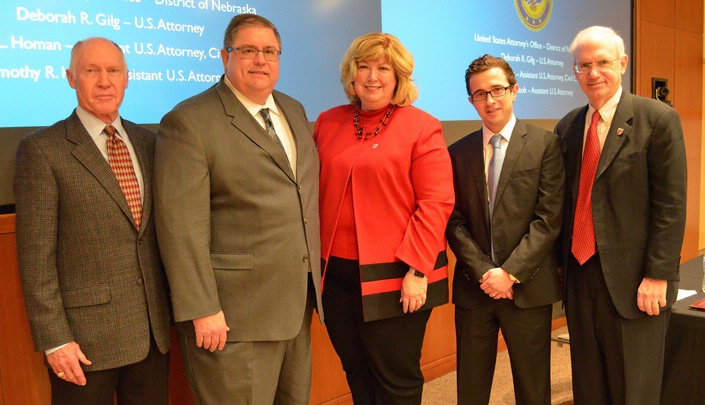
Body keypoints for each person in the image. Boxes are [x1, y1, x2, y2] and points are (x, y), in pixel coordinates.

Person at [154, 14, 322, 405]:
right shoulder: (189, 121)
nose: (260, 60)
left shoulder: (293, 110)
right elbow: (180, 227)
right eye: (248, 50)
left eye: (270, 51)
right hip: (233, 318)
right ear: (224, 56)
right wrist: (202, 308)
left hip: (295, 306)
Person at [13, 37, 171, 404]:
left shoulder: (150, 143)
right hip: (83, 345)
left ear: (127, 78)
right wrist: (55, 339)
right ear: (71, 78)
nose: (104, 81)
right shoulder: (43, 150)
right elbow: (36, 259)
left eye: (113, 70)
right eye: (91, 70)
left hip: (152, 335)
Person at [314, 32, 454, 405]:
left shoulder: (421, 126)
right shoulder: (327, 122)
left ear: (399, 77)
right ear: (351, 74)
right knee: (356, 372)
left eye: (383, 68)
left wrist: (418, 270)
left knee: (396, 380)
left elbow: (436, 202)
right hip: (336, 278)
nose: (372, 77)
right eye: (364, 67)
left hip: (397, 277)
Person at [555, 26, 687, 404]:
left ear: (623, 64)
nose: (593, 73)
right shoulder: (567, 127)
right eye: (583, 65)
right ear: (575, 71)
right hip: (580, 276)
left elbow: (671, 205)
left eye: (602, 62)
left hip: (636, 281)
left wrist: (658, 275)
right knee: (589, 382)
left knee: (634, 388)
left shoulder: (658, 119)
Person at [446, 54, 565, 404]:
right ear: (471, 101)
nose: (490, 100)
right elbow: (452, 220)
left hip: (528, 288)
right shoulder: (457, 152)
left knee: (532, 388)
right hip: (474, 288)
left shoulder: (546, 145)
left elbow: (548, 218)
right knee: (471, 387)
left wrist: (509, 273)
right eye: (479, 94)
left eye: (497, 90)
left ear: (514, 90)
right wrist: (485, 272)